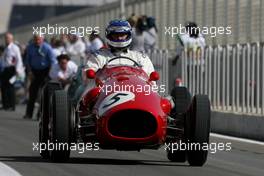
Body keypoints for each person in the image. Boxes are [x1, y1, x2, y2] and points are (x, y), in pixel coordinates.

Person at [87, 19, 154, 76]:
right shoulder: (98, 57)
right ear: (109, 35)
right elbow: (88, 77)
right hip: (107, 90)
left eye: (122, 34)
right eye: (115, 35)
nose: (119, 38)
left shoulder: (141, 58)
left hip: (134, 90)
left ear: (128, 35)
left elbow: (151, 84)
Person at [23, 34, 56, 119]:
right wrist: (30, 72)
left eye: (39, 39)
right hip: (34, 72)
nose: (37, 41)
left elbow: (52, 62)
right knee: (32, 93)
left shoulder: (47, 48)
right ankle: (28, 114)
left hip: (45, 72)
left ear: (42, 39)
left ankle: (40, 114)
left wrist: (49, 74)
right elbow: (27, 61)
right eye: (35, 39)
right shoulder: (30, 47)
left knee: (43, 94)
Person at [0, 33, 24, 111]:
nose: (6, 39)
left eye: (8, 38)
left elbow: (18, 59)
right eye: (6, 38)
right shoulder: (6, 48)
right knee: (4, 87)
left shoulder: (15, 48)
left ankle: (12, 105)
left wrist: (17, 69)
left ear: (11, 39)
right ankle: (6, 105)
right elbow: (5, 59)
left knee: (10, 87)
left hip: (12, 69)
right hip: (5, 69)